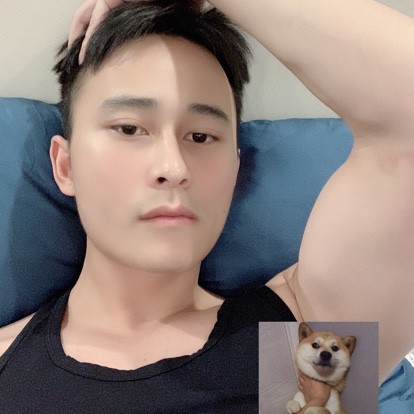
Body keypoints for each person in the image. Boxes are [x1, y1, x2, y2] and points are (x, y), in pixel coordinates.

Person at [0, 0, 412, 410]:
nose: (173, 168)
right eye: (129, 128)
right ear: (65, 166)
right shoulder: (7, 370)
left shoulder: (303, 342)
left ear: (235, 168)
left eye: (200, 137)